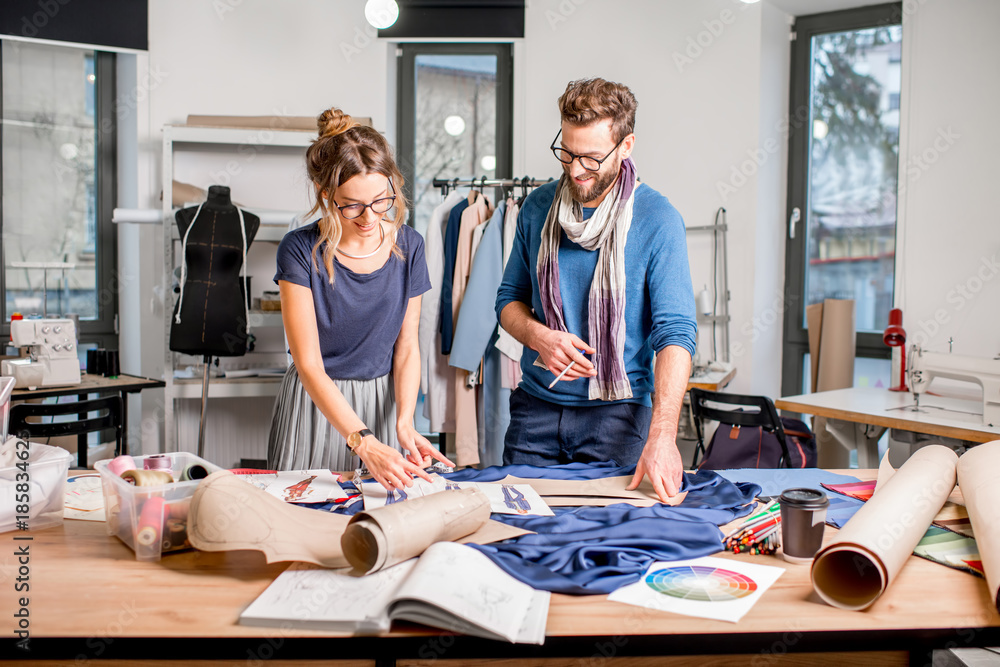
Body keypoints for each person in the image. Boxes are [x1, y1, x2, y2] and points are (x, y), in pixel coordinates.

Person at [495, 78, 697, 502]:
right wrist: (538, 336)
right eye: (566, 152)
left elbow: (675, 333)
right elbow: (507, 300)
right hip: (535, 411)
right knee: (517, 533)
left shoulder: (658, 219)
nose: (574, 169)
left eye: (590, 157)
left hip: (619, 419)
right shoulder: (536, 208)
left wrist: (662, 436)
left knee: (604, 538)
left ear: (626, 147)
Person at [267, 107, 453, 490]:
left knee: (376, 522)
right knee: (303, 522)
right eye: (352, 204)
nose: (369, 217)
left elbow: (407, 348)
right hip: (317, 405)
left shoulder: (409, 245)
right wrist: (360, 439)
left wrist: (404, 420)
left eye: (381, 200)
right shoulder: (299, 250)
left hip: (383, 404)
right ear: (326, 196)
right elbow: (309, 365)